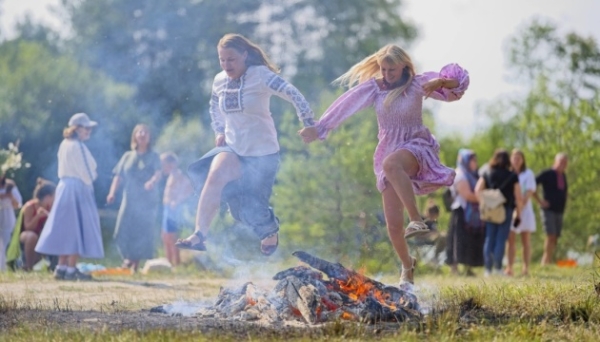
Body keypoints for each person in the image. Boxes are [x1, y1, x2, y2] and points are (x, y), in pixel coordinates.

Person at [299, 44, 469, 284]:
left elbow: (459, 84)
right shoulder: (375, 88)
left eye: (391, 70)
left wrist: (440, 82)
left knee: (392, 164)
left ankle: (417, 219)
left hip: (416, 147)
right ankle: (408, 266)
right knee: (392, 226)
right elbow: (346, 104)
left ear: (404, 67)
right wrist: (320, 128)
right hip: (388, 152)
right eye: (383, 69)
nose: (387, 75)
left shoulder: (418, 83)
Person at [176, 33, 316, 256]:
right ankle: (199, 235)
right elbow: (214, 106)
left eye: (231, 59)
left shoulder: (260, 75)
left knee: (246, 211)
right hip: (233, 148)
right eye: (222, 59)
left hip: (263, 154)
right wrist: (219, 130)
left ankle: (270, 230)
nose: (226, 64)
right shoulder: (219, 80)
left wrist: (309, 122)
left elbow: (292, 93)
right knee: (214, 177)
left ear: (244, 54)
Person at [35, 113, 104, 280]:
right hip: (77, 188)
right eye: (86, 128)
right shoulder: (78, 146)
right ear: (78, 128)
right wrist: (91, 181)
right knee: (77, 229)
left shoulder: (64, 144)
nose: (89, 131)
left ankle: (61, 267)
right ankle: (71, 269)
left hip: (64, 187)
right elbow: (87, 172)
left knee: (66, 228)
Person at [107, 124, 162, 272]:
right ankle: (127, 257)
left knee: (141, 231)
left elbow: (158, 173)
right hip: (129, 198)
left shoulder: (154, 156)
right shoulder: (127, 156)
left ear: (149, 137)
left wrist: (152, 181)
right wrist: (112, 193)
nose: (142, 134)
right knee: (121, 229)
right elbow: (118, 176)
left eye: (145, 132)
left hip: (146, 200)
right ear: (135, 136)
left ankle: (133, 263)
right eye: (139, 132)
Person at [475, 149, 523, 277]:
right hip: (505, 209)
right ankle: (497, 268)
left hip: (490, 210)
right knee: (501, 239)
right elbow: (519, 197)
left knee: (489, 238)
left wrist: (483, 204)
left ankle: (488, 270)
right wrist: (519, 214)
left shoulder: (487, 173)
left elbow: (477, 190)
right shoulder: (512, 175)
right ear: (508, 160)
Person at [446, 149, 484, 276]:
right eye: (473, 160)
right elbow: (467, 195)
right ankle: (455, 269)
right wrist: (485, 198)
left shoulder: (471, 174)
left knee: (469, 241)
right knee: (458, 240)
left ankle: (468, 268)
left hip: (472, 214)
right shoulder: (460, 174)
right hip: (461, 212)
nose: (475, 163)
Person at [5, 179, 56, 271]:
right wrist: (38, 216)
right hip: (26, 236)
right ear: (47, 196)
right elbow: (28, 227)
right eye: (53, 196)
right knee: (32, 236)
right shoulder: (30, 207)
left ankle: (53, 265)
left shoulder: (50, 207)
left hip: (41, 235)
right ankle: (28, 265)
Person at [505, 149, 537, 276]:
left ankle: (525, 268)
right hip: (511, 209)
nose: (517, 160)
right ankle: (509, 267)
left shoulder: (528, 174)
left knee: (525, 240)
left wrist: (520, 206)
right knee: (511, 240)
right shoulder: (508, 174)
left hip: (525, 210)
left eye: (519, 158)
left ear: (523, 160)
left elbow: (529, 191)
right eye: (514, 157)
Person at [533, 153, 568, 266]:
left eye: (565, 162)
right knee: (551, 234)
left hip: (559, 210)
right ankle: (545, 261)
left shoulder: (563, 176)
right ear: (555, 161)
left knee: (555, 236)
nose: (563, 164)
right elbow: (532, 184)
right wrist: (539, 201)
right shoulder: (547, 173)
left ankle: (548, 259)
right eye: (561, 161)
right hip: (548, 210)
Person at [160, 152, 193, 266]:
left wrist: (177, 201)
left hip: (173, 209)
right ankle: (169, 262)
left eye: (164, 164)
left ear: (172, 164)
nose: (163, 167)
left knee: (172, 236)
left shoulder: (178, 174)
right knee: (165, 236)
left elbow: (189, 188)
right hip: (167, 208)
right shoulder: (171, 175)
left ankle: (175, 263)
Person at [0, 174, 22, 271]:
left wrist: (9, 196)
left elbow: (18, 204)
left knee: (7, 240)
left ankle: (6, 267)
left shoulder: (10, 185)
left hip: (7, 216)